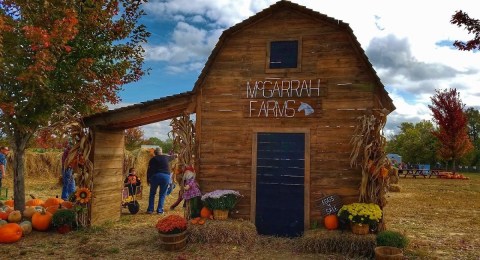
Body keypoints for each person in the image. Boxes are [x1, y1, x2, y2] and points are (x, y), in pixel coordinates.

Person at [146, 147, 174, 214]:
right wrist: (176, 155)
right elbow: (173, 157)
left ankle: (150, 210)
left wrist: (148, 179)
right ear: (161, 152)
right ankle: (160, 210)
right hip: (165, 176)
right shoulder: (166, 157)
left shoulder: (152, 159)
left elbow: (149, 170)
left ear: (155, 153)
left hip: (155, 176)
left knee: (152, 194)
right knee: (162, 194)